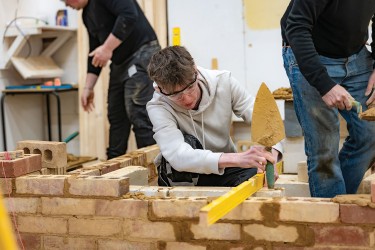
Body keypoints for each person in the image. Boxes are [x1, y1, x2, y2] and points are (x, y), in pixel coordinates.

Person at [147, 46, 282, 187]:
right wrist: (238, 158)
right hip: (182, 176)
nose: (186, 99)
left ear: (195, 71)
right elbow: (177, 155)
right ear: (159, 89)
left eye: (190, 87)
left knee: (255, 176)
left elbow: (265, 119)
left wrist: (270, 157)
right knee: (187, 143)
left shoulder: (224, 82)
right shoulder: (158, 106)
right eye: (175, 95)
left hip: (225, 167)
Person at [281, 0, 375, 197]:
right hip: (312, 55)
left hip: (356, 56)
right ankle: (331, 218)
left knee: (370, 135)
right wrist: (325, 85)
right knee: (324, 148)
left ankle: (341, 204)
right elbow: (296, 27)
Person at [64, 0, 160, 159]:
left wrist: (107, 48)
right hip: (120, 62)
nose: (66, 5)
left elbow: (129, 15)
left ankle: (154, 170)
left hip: (141, 52)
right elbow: (95, 51)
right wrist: (88, 87)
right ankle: (113, 171)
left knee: (140, 116)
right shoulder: (87, 15)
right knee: (116, 118)